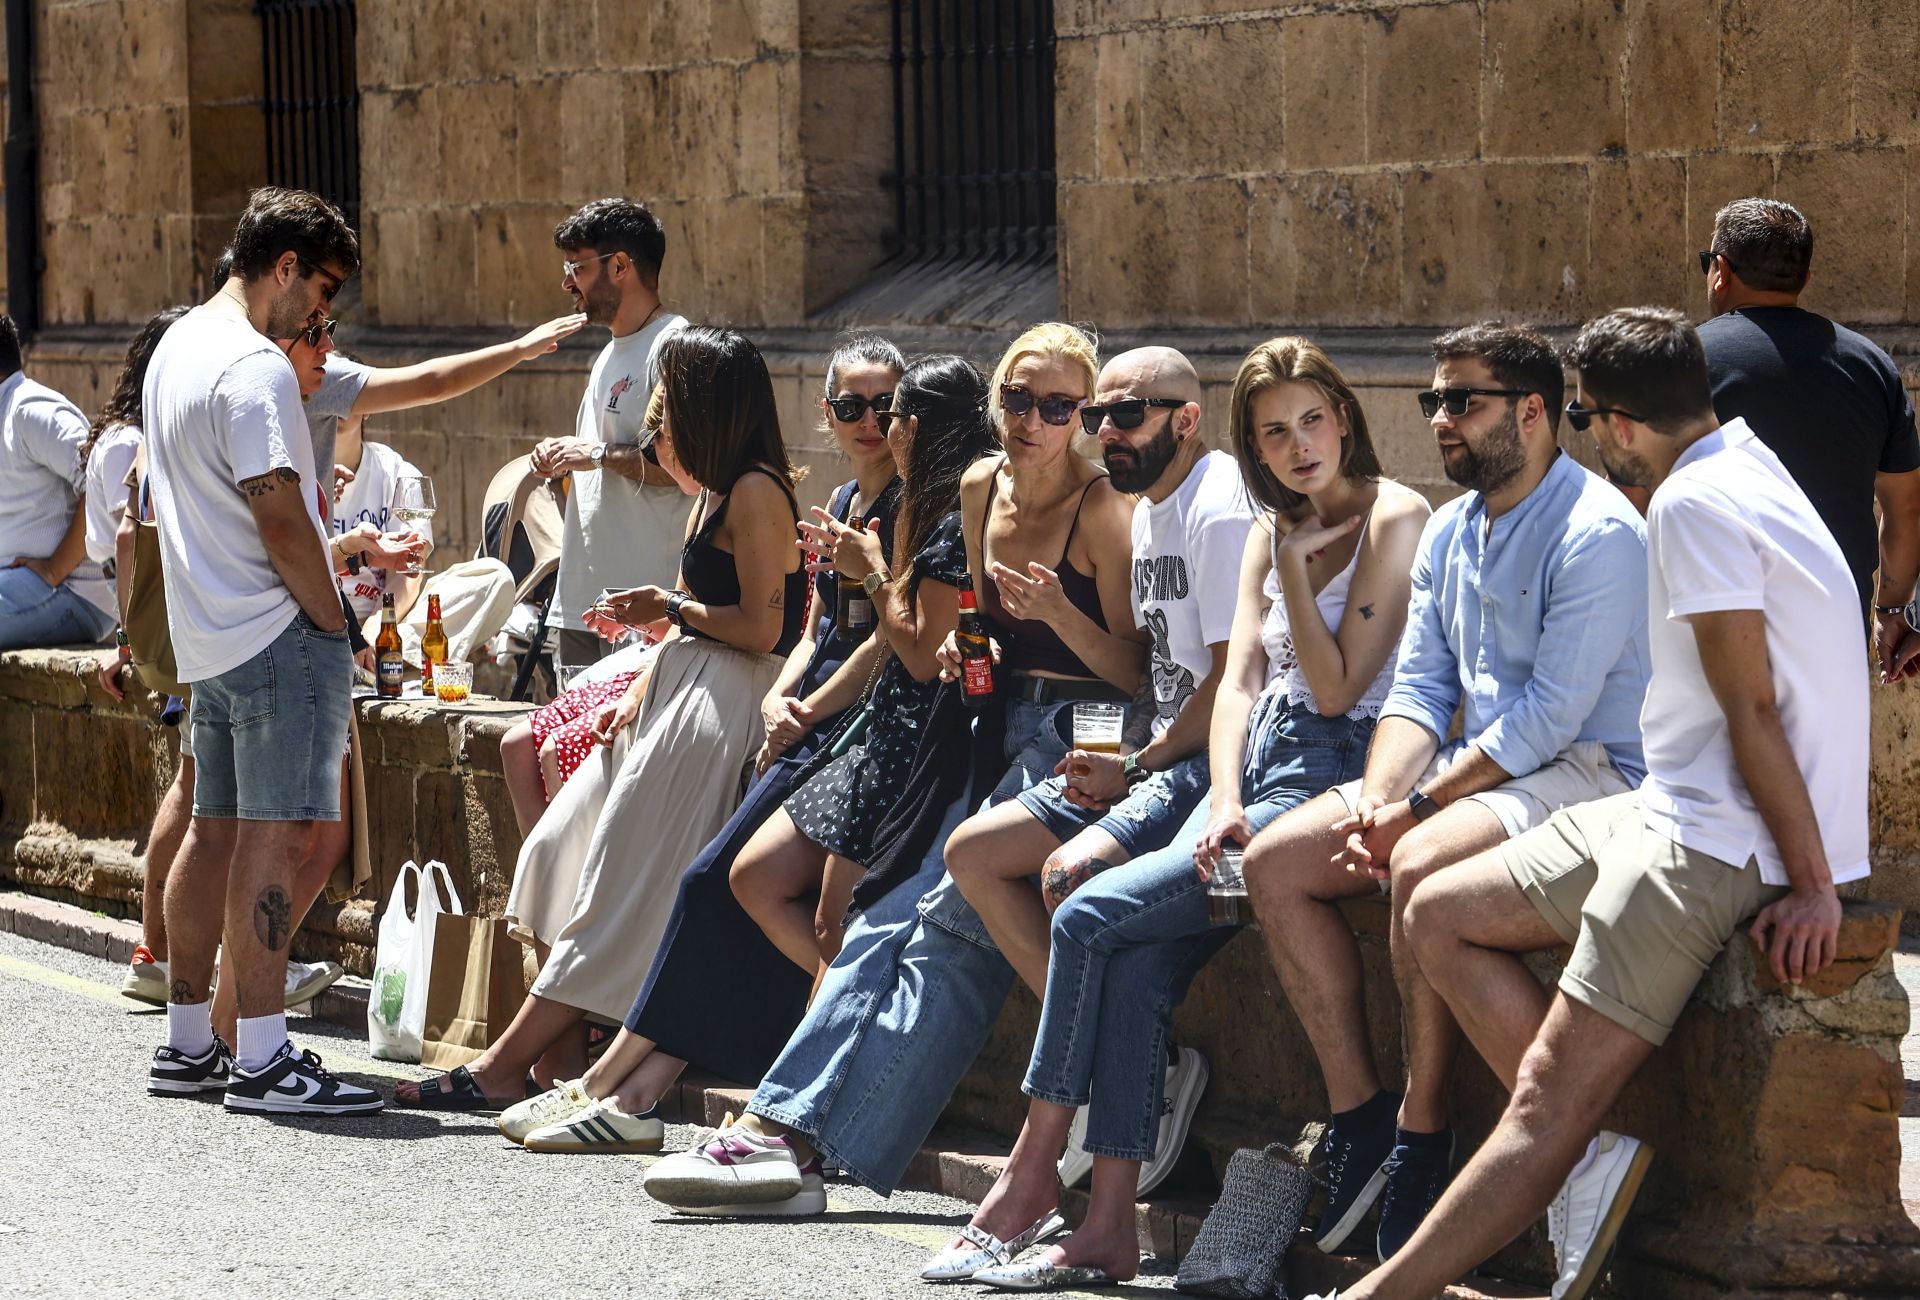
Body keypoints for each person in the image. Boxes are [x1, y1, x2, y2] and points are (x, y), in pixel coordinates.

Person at [1313, 307, 1869, 1300]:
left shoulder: (1689, 506)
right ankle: (1584, 1161)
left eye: (1584, 419)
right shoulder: (1747, 461)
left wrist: (1816, 884)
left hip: (1716, 840)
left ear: (1613, 423)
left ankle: (1382, 1290)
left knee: (1540, 1106)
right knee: (1435, 908)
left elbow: (1753, 709)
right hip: (1670, 804)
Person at [941, 337, 1430, 1288]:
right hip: (1245, 782)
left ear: (1345, 418)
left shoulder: (1393, 514)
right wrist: (1226, 798)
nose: (1297, 448)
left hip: (1330, 776)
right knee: (1125, 964)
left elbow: (1336, 692)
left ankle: (1031, 1176)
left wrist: (1295, 568)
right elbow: (1237, 682)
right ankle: (1108, 1229)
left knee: (1085, 913)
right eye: (1274, 433)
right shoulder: (1263, 528)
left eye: (1312, 422)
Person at [641, 321, 1146, 1214]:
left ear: (1084, 414)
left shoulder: (1104, 509)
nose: (1033, 420)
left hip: (1085, 726)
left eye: (1059, 406)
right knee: (879, 914)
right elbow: (969, 630)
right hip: (986, 719)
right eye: (1018, 399)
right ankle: (782, 1135)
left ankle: (807, 1144)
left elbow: (1133, 673)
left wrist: (1058, 619)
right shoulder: (981, 487)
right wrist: (969, 648)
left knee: (947, 918)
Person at [501, 353, 996, 1161]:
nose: (872, 423)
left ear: (915, 426)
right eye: (852, 406)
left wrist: (858, 598)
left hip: (883, 736)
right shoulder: (858, 501)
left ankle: (671, 1092)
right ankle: (625, 1086)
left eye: (887, 408)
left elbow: (899, 647)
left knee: (754, 898)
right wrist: (785, 700)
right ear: (826, 413)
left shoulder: (924, 514)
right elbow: (819, 631)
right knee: (741, 890)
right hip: (830, 720)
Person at [1244, 322, 1651, 1260]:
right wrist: (1377, 800)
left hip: (1593, 773)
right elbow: (1423, 692)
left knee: (1422, 864)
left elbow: (1547, 721)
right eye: (1434, 400)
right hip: (1486, 770)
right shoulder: (1452, 528)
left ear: (1532, 411)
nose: (1438, 419)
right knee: (1275, 863)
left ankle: (1432, 1132)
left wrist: (1416, 814)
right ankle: (1360, 1113)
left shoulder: (1598, 531)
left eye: (1462, 400)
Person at [397, 326, 806, 1113]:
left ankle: (508, 1069)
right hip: (680, 687)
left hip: (722, 702)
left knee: (622, 883)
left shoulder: (757, 490)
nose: (662, 417)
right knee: (564, 854)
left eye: (673, 399)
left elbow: (762, 628)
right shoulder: (718, 486)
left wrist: (669, 608)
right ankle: (548, 1066)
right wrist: (650, 664)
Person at [140, 186, 382, 1115]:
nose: (319, 319)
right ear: (284, 268)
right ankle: (265, 1059)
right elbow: (279, 512)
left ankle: (188, 1045)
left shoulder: (176, 347)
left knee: (214, 830)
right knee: (278, 838)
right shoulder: (254, 366)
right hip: (276, 629)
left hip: (209, 634)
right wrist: (331, 622)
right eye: (320, 293)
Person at [1696, 197, 1920, 678]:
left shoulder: (1685, 361)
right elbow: (1905, 507)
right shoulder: (1871, 366)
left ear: (1721, 271)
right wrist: (1890, 610)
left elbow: (1635, 496)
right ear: (1805, 278)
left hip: (1712, 633)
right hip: (1834, 633)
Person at [531, 197, 691, 677]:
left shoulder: (673, 344)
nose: (566, 282)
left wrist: (597, 453)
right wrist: (561, 459)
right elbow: (598, 468)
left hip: (643, 610)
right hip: (585, 601)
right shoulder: (608, 352)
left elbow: (685, 469)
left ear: (620, 265)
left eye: (576, 267)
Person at [330, 396, 514, 673]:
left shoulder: (396, 472)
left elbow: (409, 571)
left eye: (343, 395)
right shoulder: (296, 469)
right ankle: (381, 663)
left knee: (494, 578)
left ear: (367, 408)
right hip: (320, 620)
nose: (335, 406)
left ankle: (378, 658)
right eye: (325, 396)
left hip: (389, 619)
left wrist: (376, 630)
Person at [0, 315, 119, 650]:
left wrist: (55, 568)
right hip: (19, 586)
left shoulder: (31, 410)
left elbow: (101, 480)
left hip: (72, 591)